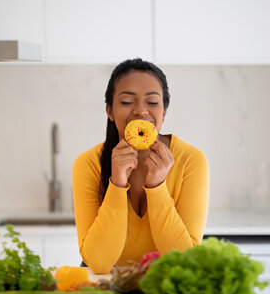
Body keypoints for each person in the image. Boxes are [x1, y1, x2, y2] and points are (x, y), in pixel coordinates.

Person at [72, 58, 209, 274]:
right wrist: (117, 184)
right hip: (108, 288)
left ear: (164, 111)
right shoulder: (88, 163)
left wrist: (157, 187)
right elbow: (98, 263)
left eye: (153, 102)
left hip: (165, 286)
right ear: (109, 110)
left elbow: (185, 259)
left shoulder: (191, 160)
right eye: (127, 102)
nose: (140, 111)